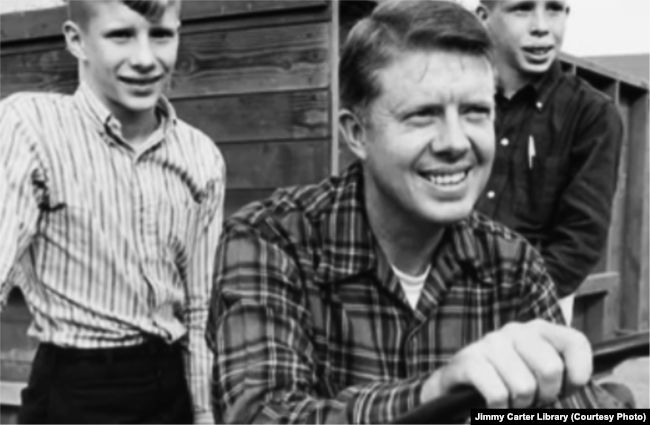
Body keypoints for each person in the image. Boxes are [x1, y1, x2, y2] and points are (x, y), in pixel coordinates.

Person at [206, 1, 623, 424]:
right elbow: (261, 415)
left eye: (475, 112)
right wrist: (435, 394)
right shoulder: (269, 241)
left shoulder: (514, 266)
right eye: (423, 115)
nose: (456, 142)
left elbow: (578, 413)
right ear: (356, 133)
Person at [0, 0, 224, 424]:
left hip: (169, 389)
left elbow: (199, 311)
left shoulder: (202, 158)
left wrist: (204, 413)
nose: (145, 59)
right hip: (75, 393)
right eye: (120, 35)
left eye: (161, 34)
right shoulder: (29, 128)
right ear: (76, 41)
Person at [474, 0, 623, 324]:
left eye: (554, 9)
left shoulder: (592, 113)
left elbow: (581, 236)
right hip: (438, 301)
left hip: (532, 313)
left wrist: (514, 307)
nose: (541, 25)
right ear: (484, 17)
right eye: (523, 9)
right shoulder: (456, 99)